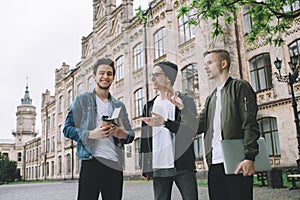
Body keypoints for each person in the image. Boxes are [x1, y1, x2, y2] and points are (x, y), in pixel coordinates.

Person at [167, 49, 260, 200]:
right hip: (214, 164)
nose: (205, 67)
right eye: (204, 64)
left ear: (223, 63)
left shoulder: (240, 87)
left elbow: (250, 124)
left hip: (237, 162)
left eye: (210, 62)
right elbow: (198, 127)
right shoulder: (211, 98)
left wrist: (249, 157)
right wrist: (182, 108)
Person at [63, 58, 135, 200]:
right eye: (101, 73)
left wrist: (121, 133)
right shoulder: (82, 100)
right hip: (91, 163)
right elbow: (67, 129)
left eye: (109, 74)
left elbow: (130, 135)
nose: (105, 77)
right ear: (94, 76)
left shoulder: (119, 105)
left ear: (113, 77)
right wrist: (90, 134)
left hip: (114, 164)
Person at [140, 61, 199, 200]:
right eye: (152, 75)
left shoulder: (185, 101)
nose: (153, 78)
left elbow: (190, 131)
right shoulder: (149, 106)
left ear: (168, 77)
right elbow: (145, 138)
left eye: (156, 75)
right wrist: (145, 165)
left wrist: (166, 123)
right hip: (159, 165)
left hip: (183, 164)